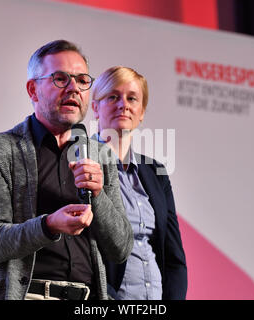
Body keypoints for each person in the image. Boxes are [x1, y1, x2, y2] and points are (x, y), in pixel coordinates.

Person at [0, 40, 133, 300]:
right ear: (33, 90)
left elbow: (120, 249)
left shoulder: (100, 155)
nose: (73, 89)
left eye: (82, 80)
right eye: (60, 79)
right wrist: (48, 225)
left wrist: (98, 197)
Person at [91, 66, 187, 300]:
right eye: (112, 96)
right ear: (95, 107)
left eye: (132, 98)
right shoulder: (81, 162)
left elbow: (173, 257)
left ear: (141, 111)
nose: (123, 104)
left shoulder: (156, 173)